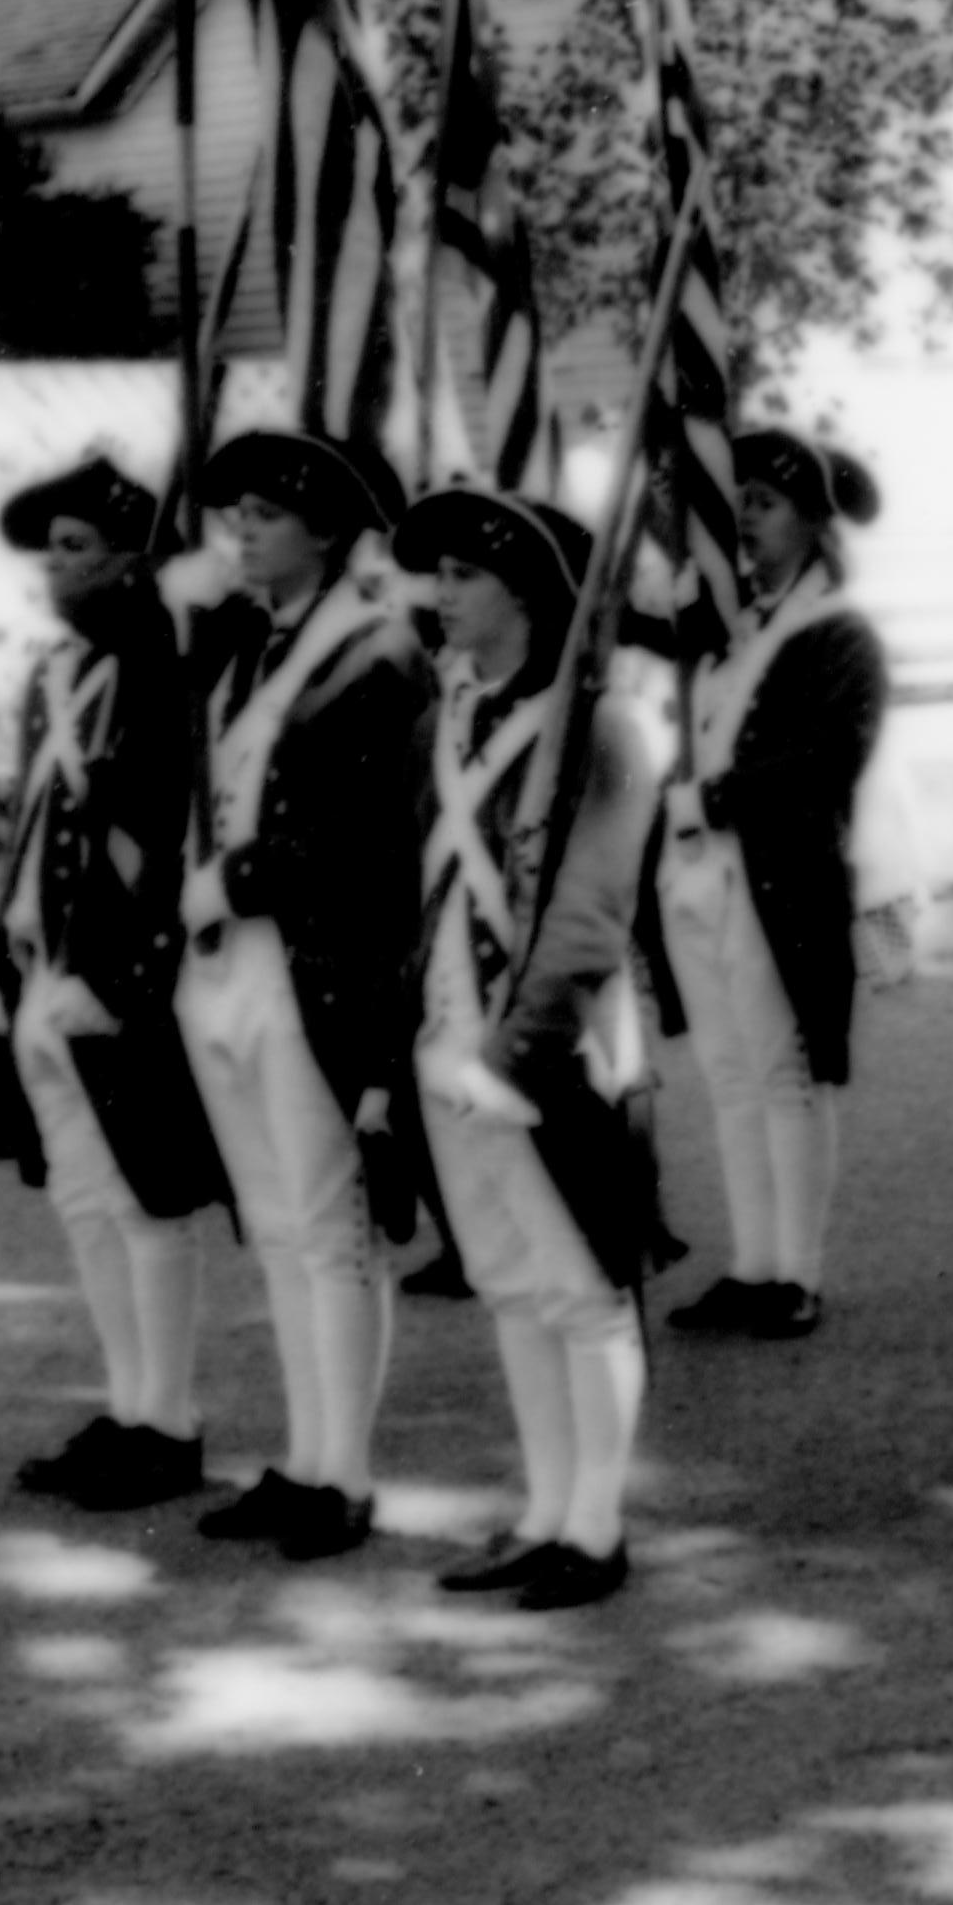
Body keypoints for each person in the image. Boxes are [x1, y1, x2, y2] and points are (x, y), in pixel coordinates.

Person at [397, 485, 667, 1610]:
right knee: (513, 1286)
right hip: (448, 1033)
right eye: (439, 574)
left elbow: (592, 912)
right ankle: (545, 1510)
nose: (440, 594)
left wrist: (512, 1056)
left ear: (524, 589)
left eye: (463, 574)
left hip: (547, 1048)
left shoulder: (602, 724)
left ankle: (597, 1529)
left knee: (585, 1288)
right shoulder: (445, 715)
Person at [176, 430, 429, 1562]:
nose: (240, 529)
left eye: (266, 514)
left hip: (315, 962)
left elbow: (358, 841)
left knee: (329, 1228)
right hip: (230, 966)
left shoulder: (372, 652)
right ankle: (304, 1456)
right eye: (233, 512)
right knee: (279, 1229)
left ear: (327, 532)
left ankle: (347, 1473)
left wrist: (232, 877)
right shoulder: (247, 649)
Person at [0, 455, 228, 1509]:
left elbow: (158, 834)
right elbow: (35, 824)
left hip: (114, 975)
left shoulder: (158, 665)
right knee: (84, 1200)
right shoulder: (60, 675)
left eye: (77, 551)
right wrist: (1, 948)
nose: (53, 571)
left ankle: (168, 1420)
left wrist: (124, 976)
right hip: (44, 968)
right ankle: (128, 1409)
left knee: (142, 1201)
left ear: (130, 561)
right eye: (50, 551)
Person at [655, 428, 889, 1341]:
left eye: (764, 502)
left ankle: (798, 1271)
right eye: (737, 500)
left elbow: (827, 755)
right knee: (728, 1074)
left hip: (775, 871)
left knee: (781, 1070)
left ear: (813, 523)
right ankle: (752, 1264)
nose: (744, 517)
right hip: (699, 872)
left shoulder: (837, 632)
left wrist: (717, 793)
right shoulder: (722, 625)